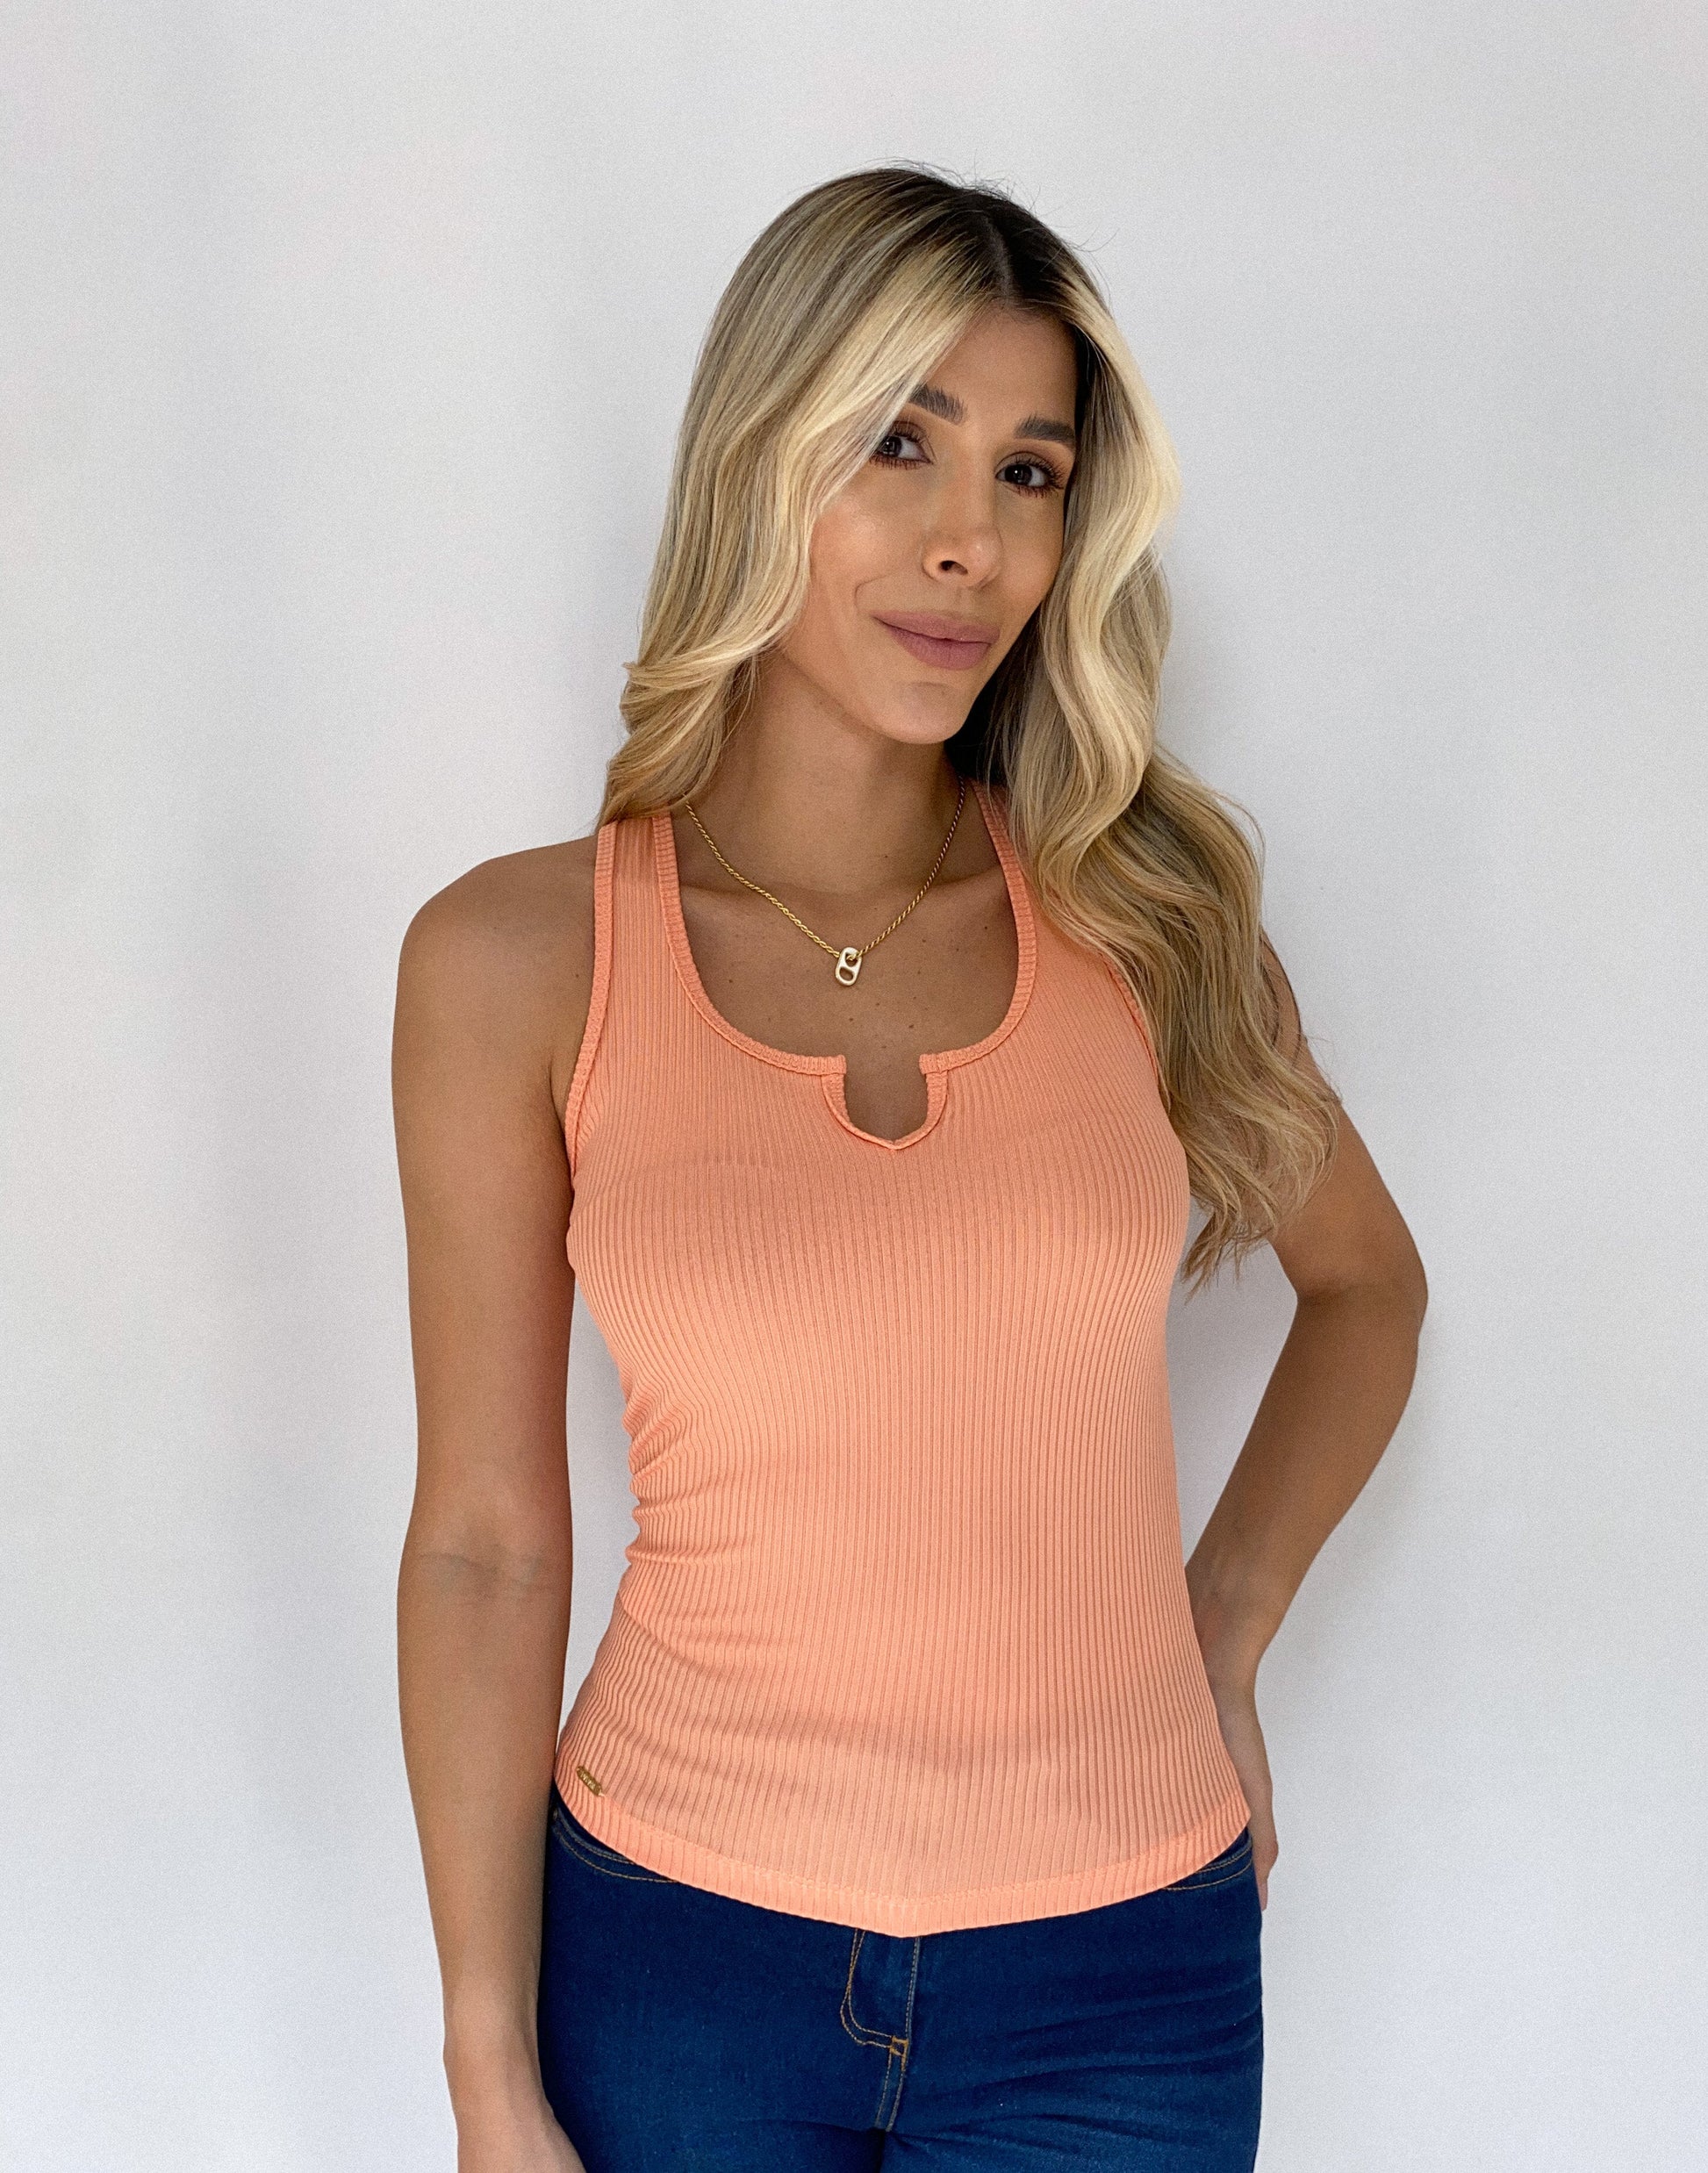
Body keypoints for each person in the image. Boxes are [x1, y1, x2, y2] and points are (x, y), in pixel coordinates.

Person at [391, 165, 1428, 2173]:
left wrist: (1221, 1622)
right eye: (898, 444)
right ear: (756, 456)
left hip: (1122, 1976)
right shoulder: (518, 960)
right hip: (674, 1958)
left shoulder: (1142, 920)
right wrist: (485, 2069)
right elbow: (486, 1542)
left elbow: (1365, 1282)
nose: (972, 541)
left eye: (1031, 472)